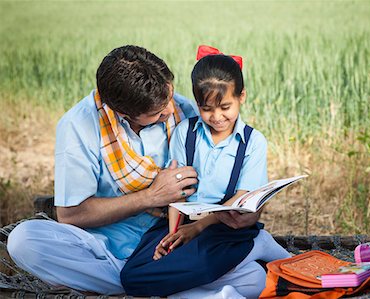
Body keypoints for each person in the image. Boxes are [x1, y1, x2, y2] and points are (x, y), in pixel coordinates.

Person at [6, 45, 267, 296]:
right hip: (103, 249)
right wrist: (150, 197)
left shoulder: (183, 110)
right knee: (24, 241)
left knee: (253, 281)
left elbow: (230, 173)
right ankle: (154, 283)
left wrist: (244, 211)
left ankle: (145, 283)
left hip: (170, 237)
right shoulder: (78, 127)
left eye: (170, 96)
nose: (170, 110)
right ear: (123, 113)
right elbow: (71, 215)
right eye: (157, 112)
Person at [120, 45, 290, 298]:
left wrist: (198, 229)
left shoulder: (253, 141)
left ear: (241, 96)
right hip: (183, 223)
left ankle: (256, 245)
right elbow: (175, 193)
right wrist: (173, 234)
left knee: (201, 264)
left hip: (226, 228)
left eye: (225, 107)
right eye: (207, 108)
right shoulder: (184, 133)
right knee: (132, 277)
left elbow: (243, 198)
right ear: (197, 102)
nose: (216, 117)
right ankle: (243, 279)